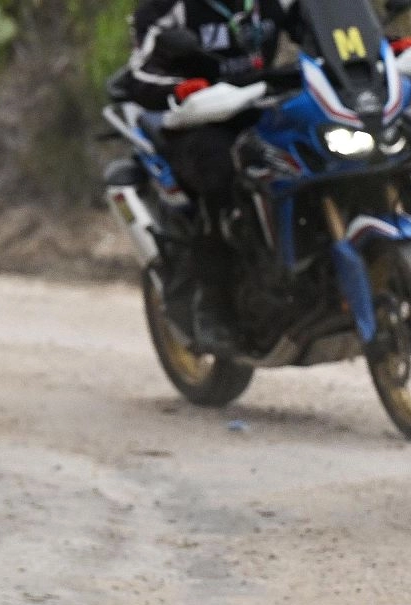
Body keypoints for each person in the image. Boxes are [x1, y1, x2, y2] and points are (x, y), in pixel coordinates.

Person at [125, 0, 305, 353]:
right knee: (221, 174)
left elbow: (326, 27)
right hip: (196, 119)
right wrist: (177, 89)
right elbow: (139, 74)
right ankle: (213, 303)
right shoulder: (170, 7)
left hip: (260, 106)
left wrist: (379, 47)